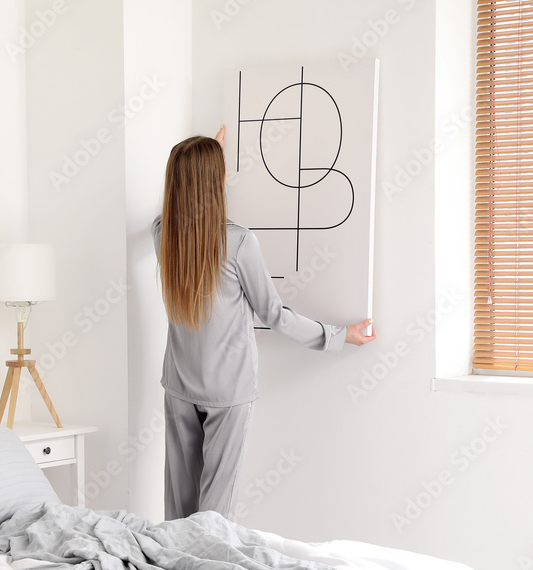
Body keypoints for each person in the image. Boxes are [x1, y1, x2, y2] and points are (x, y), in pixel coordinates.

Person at [152, 126, 375, 521]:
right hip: (228, 389)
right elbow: (275, 315)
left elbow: (180, 206)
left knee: (179, 510)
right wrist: (341, 336)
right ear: (215, 183)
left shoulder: (163, 236)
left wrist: (205, 159)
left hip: (179, 386)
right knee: (214, 515)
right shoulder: (238, 243)